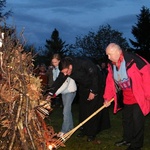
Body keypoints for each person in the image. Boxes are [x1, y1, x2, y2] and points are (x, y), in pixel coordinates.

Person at [48, 56, 111, 142]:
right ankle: (84, 130)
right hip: (84, 87)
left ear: (70, 66)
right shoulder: (65, 69)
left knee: (92, 109)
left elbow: (95, 76)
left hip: (96, 85)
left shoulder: (84, 63)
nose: (65, 74)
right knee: (83, 109)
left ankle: (91, 133)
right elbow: (59, 80)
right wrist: (51, 93)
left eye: (66, 72)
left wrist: (93, 91)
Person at [103, 43, 150, 150]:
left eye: (110, 54)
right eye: (107, 55)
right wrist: (107, 98)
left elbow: (147, 73)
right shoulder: (112, 65)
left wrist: (148, 94)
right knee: (127, 120)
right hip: (126, 96)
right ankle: (127, 139)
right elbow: (110, 82)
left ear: (118, 52)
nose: (108, 57)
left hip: (139, 96)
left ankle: (136, 145)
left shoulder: (133, 60)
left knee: (137, 121)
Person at [47, 54, 77, 137]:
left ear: (60, 61)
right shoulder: (54, 69)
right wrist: (51, 92)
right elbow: (56, 82)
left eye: (56, 62)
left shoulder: (65, 67)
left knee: (65, 111)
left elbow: (64, 84)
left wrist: (55, 93)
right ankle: (70, 128)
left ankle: (64, 131)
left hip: (70, 91)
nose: (54, 64)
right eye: (52, 62)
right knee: (67, 110)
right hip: (63, 92)